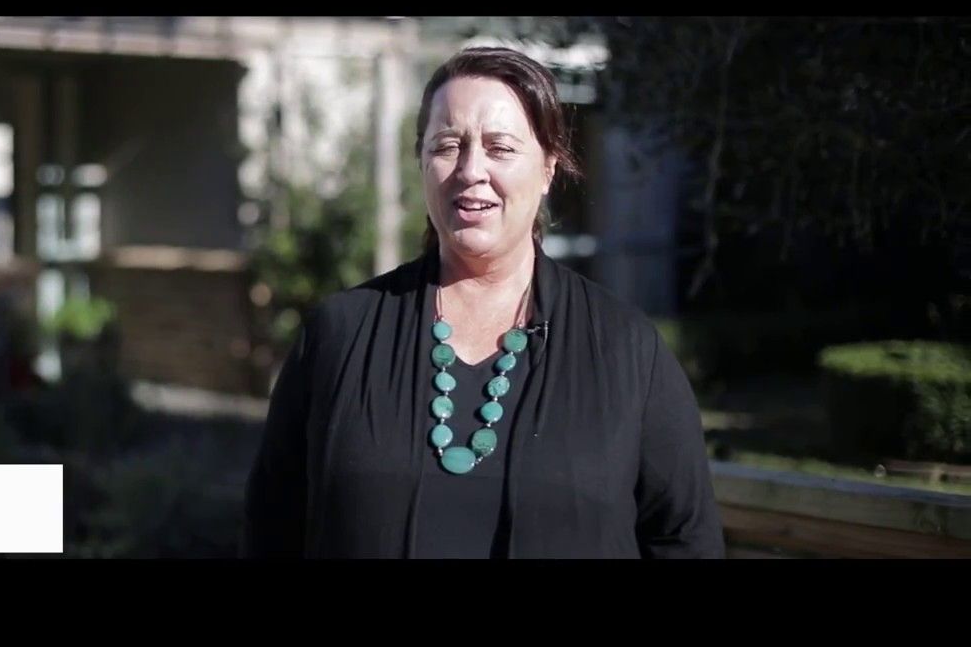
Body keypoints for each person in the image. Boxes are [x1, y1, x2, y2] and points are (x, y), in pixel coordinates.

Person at [241, 46, 725, 558]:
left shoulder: (626, 351)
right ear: (422, 161)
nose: (471, 169)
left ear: (548, 168)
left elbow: (685, 540)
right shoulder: (338, 338)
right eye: (448, 145)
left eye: (500, 148)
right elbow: (272, 527)